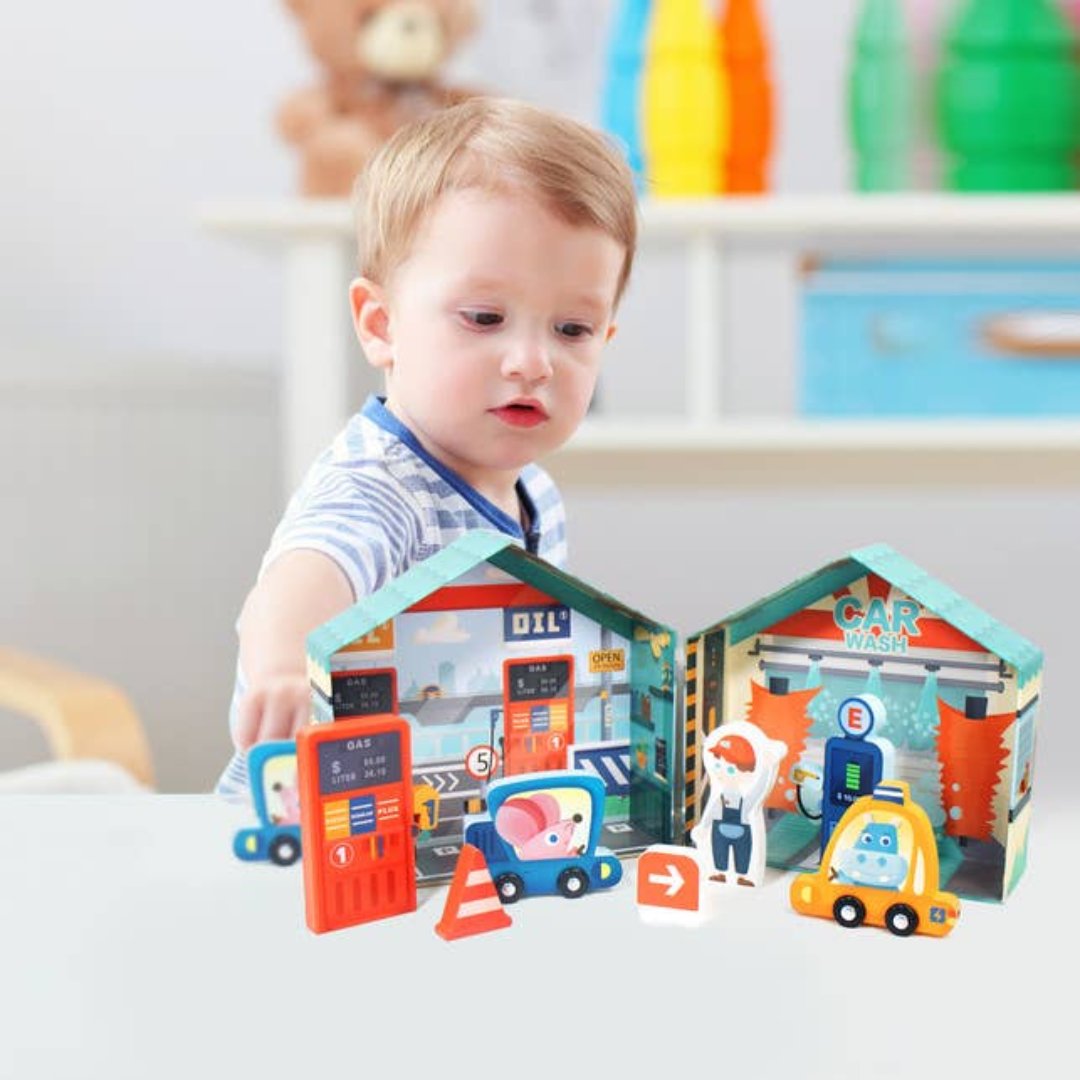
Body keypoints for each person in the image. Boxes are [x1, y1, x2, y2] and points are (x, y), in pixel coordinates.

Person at [216, 97, 637, 797]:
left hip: (448, 811)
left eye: (572, 330)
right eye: (484, 318)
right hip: (314, 824)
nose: (532, 361)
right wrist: (288, 668)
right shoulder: (383, 489)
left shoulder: (538, 495)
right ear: (381, 325)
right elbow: (299, 581)